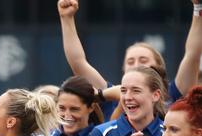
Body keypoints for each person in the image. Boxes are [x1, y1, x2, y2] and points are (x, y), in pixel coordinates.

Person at [58, 0, 202, 118]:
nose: (136, 65)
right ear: (123, 69)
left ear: (159, 67)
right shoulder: (111, 98)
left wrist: (198, 8)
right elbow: (78, 62)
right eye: (130, 61)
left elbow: (192, 55)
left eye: (143, 60)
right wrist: (67, 18)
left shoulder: (173, 95)